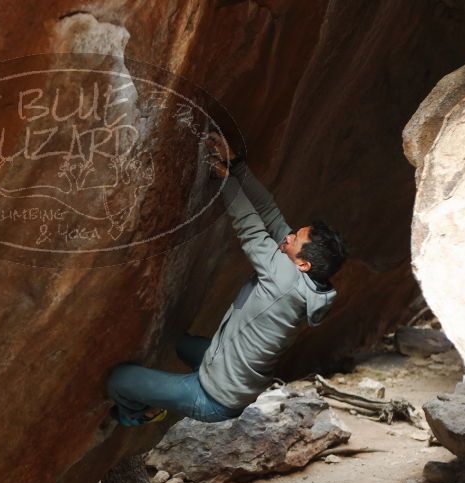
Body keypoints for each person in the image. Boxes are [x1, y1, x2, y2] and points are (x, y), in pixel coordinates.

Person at [106, 133, 349, 426]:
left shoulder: (284, 282)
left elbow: (251, 228)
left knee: (120, 380)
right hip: (232, 379)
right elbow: (271, 215)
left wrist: (226, 182)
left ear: (303, 263)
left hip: (212, 398)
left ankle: (137, 414)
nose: (286, 237)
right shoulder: (305, 278)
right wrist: (237, 166)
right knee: (178, 344)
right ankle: (171, 384)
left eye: (293, 239)